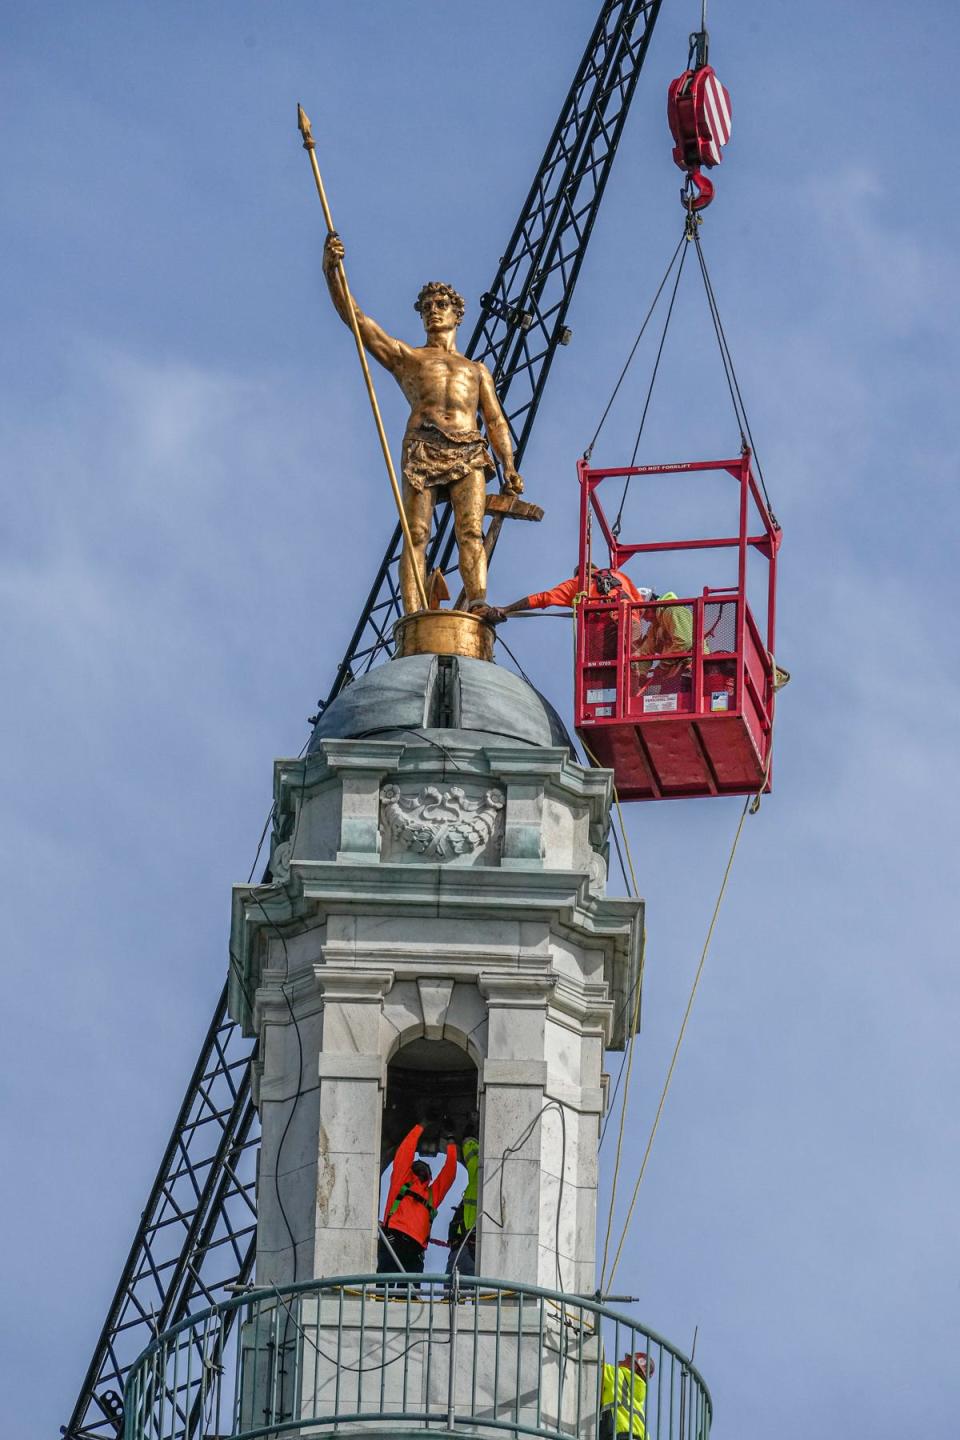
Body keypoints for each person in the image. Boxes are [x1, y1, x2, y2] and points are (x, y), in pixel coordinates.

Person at [323, 233, 523, 615]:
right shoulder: (409, 358)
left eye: (442, 304)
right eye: (427, 306)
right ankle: (414, 612)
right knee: (416, 534)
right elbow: (359, 322)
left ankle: (477, 599)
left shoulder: (476, 370)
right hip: (423, 445)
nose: (434, 310)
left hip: (469, 447)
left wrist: (509, 465)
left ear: (456, 314)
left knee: (470, 532)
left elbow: (495, 419)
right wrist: (334, 272)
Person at [378, 1122, 458, 1275]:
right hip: (393, 1239)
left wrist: (451, 1142)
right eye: (419, 1166)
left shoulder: (432, 1194)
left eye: (425, 1168)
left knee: (409, 1295)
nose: (422, 1168)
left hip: (415, 1249)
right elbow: (405, 1151)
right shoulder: (401, 1180)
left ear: (429, 1177)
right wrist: (421, 1126)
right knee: (384, 1288)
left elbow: (450, 1173)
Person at [600, 1351, 655, 1439]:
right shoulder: (639, 1400)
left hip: (620, 1435)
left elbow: (595, 1367)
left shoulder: (616, 1375)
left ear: (634, 1366)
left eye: (627, 1359)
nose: (622, 1360)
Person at [446, 1135, 480, 1277]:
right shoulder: (475, 1188)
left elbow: (474, 1161)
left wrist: (459, 1142)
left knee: (451, 1294)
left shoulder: (478, 1180)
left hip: (466, 1251)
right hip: (465, 1249)